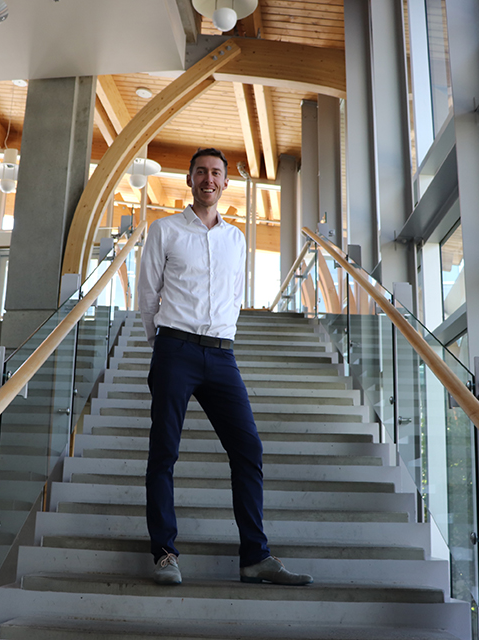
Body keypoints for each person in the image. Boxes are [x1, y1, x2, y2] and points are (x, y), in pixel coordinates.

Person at [136, 147, 313, 587]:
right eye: (201, 172)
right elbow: (146, 296)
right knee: (164, 453)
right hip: (175, 348)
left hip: (221, 354)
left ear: (226, 182)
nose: (208, 179)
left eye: (216, 173)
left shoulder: (236, 239)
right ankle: (164, 553)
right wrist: (160, 347)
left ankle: (254, 557)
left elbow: (234, 294)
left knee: (248, 449)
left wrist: (222, 339)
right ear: (190, 179)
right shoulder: (164, 231)